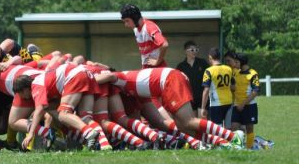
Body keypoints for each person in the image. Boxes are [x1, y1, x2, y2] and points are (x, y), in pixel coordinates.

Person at [93, 67, 245, 149]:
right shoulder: (133, 89)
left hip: (170, 80)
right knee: (183, 127)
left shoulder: (120, 77)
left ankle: (233, 136)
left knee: (188, 122)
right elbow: (153, 119)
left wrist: (89, 76)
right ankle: (222, 142)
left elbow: (109, 76)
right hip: (170, 80)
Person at [120, 4, 169, 68]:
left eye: (127, 21)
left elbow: (164, 44)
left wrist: (157, 62)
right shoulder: (136, 29)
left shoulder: (149, 27)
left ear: (135, 17)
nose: (126, 25)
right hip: (148, 68)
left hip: (157, 69)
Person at [231, 53, 260, 149]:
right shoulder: (236, 72)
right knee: (234, 127)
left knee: (249, 128)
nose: (234, 64)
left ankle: (249, 148)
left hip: (249, 106)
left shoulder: (253, 74)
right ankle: (237, 147)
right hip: (237, 105)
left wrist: (243, 104)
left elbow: (255, 92)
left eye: (236, 62)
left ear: (242, 62)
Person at [200, 47, 233, 126]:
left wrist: (203, 108)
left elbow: (206, 90)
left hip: (216, 104)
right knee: (228, 129)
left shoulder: (209, 71)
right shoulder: (228, 69)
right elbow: (233, 86)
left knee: (218, 130)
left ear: (210, 57)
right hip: (229, 102)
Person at [176, 40, 209, 115]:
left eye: (196, 50)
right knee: (193, 122)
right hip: (189, 98)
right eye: (192, 50)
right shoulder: (180, 66)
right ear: (186, 51)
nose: (195, 52)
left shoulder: (203, 63)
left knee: (203, 122)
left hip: (202, 97)